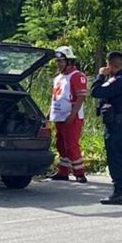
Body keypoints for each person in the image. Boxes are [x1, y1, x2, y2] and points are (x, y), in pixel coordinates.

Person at [90, 51, 122, 204]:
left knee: (115, 158)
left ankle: (118, 193)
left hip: (116, 125)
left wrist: (100, 76)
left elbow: (95, 91)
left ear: (111, 66)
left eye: (107, 65)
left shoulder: (117, 80)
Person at [49, 46, 88, 183]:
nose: (58, 64)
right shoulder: (58, 78)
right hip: (59, 116)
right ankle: (63, 171)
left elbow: (81, 97)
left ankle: (79, 173)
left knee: (71, 144)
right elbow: (55, 98)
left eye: (61, 61)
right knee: (60, 144)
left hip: (72, 117)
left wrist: (72, 115)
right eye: (57, 61)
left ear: (69, 61)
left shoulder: (77, 76)